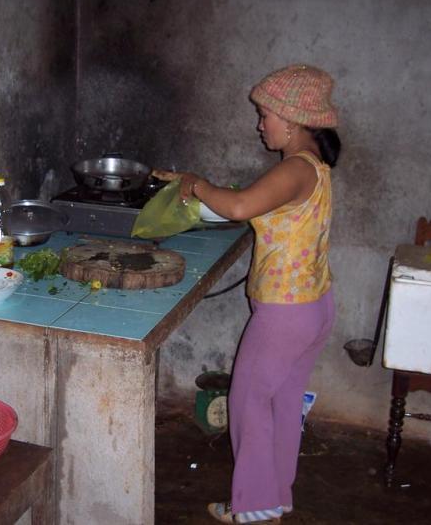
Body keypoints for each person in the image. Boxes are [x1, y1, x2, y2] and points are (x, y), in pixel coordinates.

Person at [154, 64, 340, 523]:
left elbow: (238, 205)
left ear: (291, 119)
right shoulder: (314, 167)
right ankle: (275, 496)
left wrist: (195, 182)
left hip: (285, 314)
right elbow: (255, 205)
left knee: (248, 401)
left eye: (264, 115)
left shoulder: (297, 167)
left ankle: (254, 506)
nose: (260, 124)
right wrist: (197, 186)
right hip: (313, 306)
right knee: (282, 403)